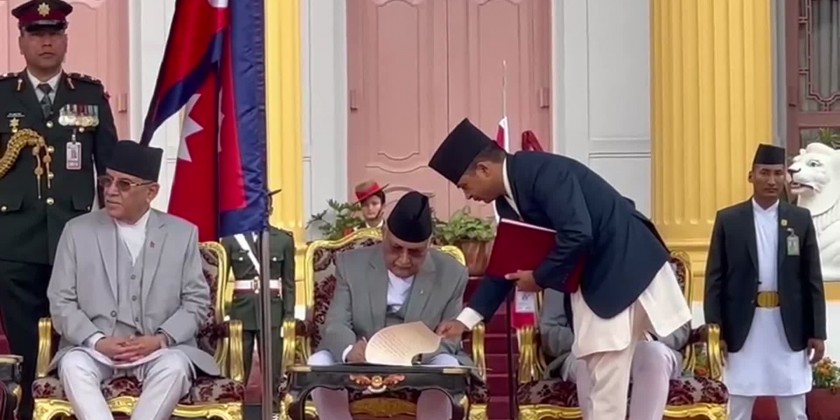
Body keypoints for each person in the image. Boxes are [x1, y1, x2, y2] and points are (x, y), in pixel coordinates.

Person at [429, 118, 692, 419]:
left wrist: (539, 278)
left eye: (465, 186)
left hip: (622, 271)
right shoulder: (507, 199)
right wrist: (465, 320)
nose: (467, 196)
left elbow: (578, 234)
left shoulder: (543, 173)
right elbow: (507, 263)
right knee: (597, 372)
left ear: (484, 169)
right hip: (598, 276)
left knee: (605, 373)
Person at [0, 1, 118, 417]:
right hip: (14, 241)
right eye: (37, 34)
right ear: (21, 42)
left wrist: (114, 231)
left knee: (77, 336)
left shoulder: (88, 95)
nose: (46, 42)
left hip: (76, 236)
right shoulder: (1, 96)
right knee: (25, 342)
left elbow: (108, 170)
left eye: (54, 33)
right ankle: (30, 410)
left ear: (66, 40)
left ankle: (73, 408)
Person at [46, 140, 219, 420]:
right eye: (107, 181)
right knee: (73, 365)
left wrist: (160, 339)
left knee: (175, 367)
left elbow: (196, 302)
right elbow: (61, 300)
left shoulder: (182, 234)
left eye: (124, 184)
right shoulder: (77, 232)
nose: (111, 191)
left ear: (151, 192)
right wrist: (97, 340)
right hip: (94, 350)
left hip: (159, 350)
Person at [308, 191, 470, 419]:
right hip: (360, 358)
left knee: (447, 365)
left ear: (429, 244)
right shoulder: (351, 264)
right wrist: (350, 351)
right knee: (318, 362)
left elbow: (449, 338)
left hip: (420, 360)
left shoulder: (452, 273)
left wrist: (413, 358)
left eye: (415, 253)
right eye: (395, 248)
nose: (403, 259)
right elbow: (336, 323)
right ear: (383, 234)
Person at [704, 144, 826, 420]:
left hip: (788, 326)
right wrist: (715, 330)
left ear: (785, 177)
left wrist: (818, 331)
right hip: (743, 327)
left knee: (793, 406)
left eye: (778, 173)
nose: (772, 180)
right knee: (738, 405)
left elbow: (812, 279)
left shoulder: (799, 219)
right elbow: (715, 279)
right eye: (765, 173)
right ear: (751, 176)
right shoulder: (729, 220)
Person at [541, 288, 690, 420]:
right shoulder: (564, 269)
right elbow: (549, 333)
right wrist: (594, 338)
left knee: (655, 354)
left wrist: (648, 335)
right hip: (584, 349)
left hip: (644, 344)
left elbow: (680, 326)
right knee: (590, 358)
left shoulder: (653, 266)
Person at [221, 189, 295, 392]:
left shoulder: (283, 240)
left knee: (273, 369)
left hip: (272, 309)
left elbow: (288, 282)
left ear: (270, 209)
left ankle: (275, 405)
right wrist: (219, 313)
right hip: (241, 310)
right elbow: (220, 280)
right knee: (238, 368)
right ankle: (238, 405)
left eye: (264, 205)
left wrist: (288, 315)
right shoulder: (231, 239)